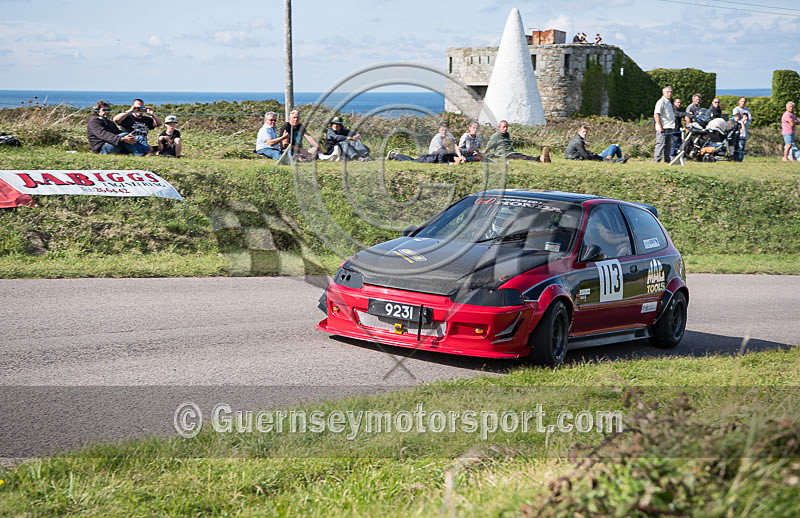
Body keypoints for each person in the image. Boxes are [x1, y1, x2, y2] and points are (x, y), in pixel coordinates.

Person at [483, 120, 550, 162]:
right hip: (504, 155)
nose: (505, 128)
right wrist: (481, 154)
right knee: (522, 157)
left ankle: (544, 158)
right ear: (499, 127)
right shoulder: (495, 136)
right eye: (504, 127)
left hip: (511, 152)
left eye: (506, 127)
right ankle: (540, 159)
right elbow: (488, 147)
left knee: (522, 155)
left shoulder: (507, 134)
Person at [653, 86, 675, 162]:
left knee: (668, 145)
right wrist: (660, 126)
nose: (670, 93)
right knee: (660, 144)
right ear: (663, 93)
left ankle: (667, 160)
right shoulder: (661, 102)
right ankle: (657, 160)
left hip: (670, 127)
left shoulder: (669, 102)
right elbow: (656, 115)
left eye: (671, 92)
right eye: (668, 92)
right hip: (663, 127)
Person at [731, 97, 752, 162]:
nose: (743, 103)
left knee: (742, 146)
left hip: (744, 132)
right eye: (742, 101)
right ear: (739, 102)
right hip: (737, 131)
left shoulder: (747, 110)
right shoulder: (736, 109)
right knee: (738, 146)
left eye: (744, 101)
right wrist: (743, 121)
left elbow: (749, 120)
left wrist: (744, 121)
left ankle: (740, 160)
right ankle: (737, 159)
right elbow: (736, 120)